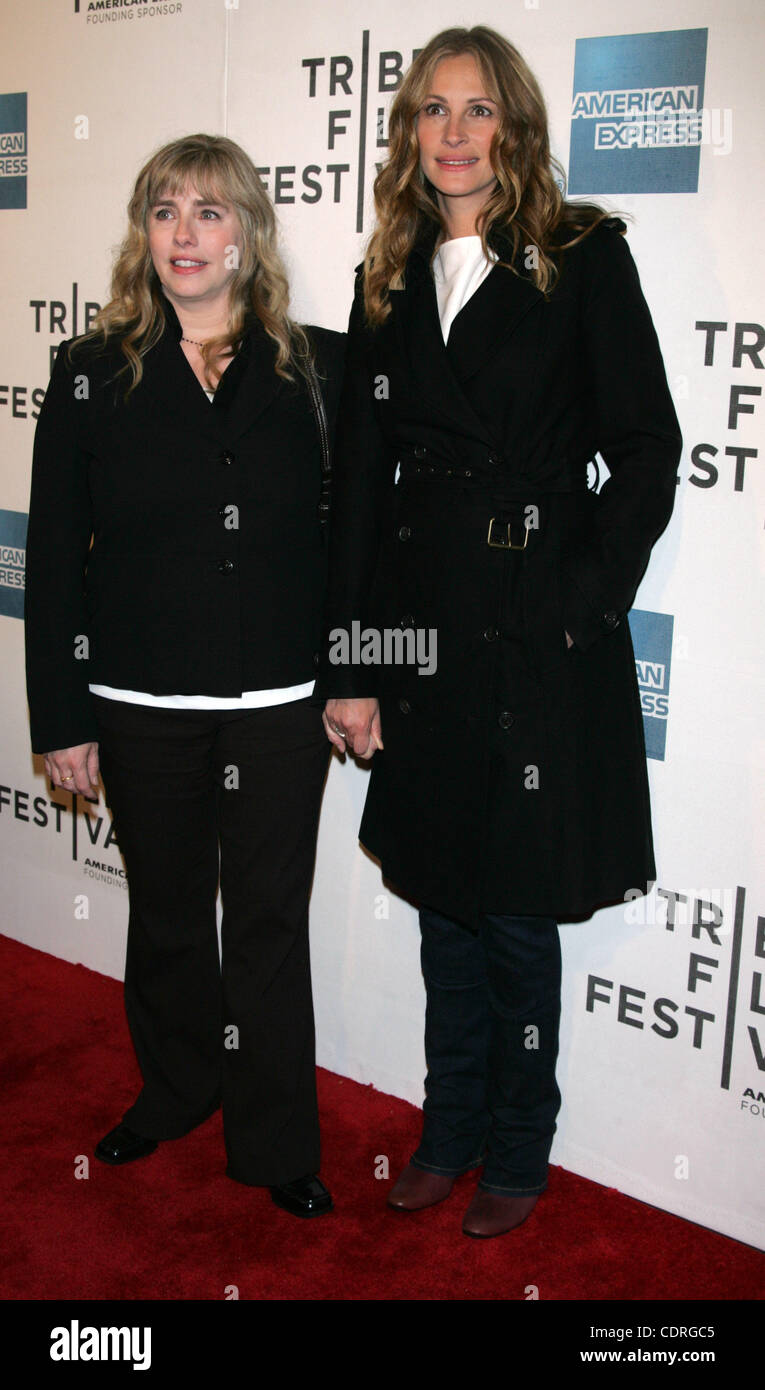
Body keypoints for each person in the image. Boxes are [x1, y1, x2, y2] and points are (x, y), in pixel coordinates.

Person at [318, 27, 681, 1237]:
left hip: (535, 631)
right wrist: (355, 666)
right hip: (420, 631)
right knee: (438, 902)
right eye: (433, 111)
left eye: (479, 110)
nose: (456, 133)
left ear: (515, 125)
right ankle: (449, 1127)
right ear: (409, 134)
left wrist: (579, 596)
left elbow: (643, 449)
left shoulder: (581, 256)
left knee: (518, 911)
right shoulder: (388, 271)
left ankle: (519, 1147)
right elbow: (362, 487)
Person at [25, 134, 345, 1219]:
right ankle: (173, 1090)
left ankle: (274, 1140)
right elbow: (57, 556)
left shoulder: (320, 369)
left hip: (277, 709)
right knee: (164, 915)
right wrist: (61, 712)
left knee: (265, 926)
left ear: (248, 233)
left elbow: (353, 548)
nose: (185, 234)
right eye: (165, 211)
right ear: (143, 233)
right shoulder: (88, 374)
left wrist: (357, 674)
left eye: (210, 212)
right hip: (140, 702)